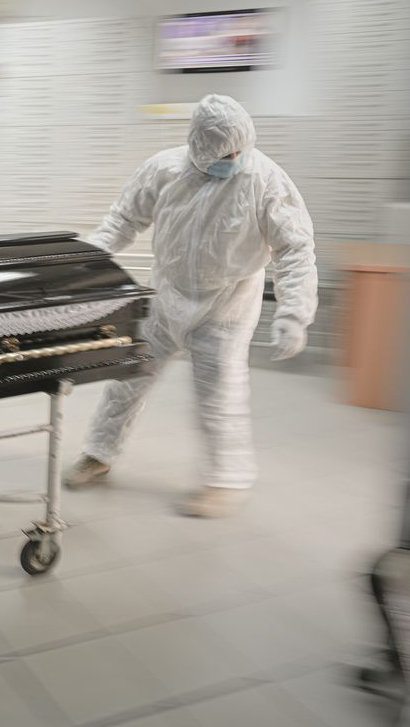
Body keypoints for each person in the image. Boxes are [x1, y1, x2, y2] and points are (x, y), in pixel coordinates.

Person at [63, 94, 317, 518]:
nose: (234, 158)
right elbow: (123, 220)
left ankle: (225, 479)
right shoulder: (164, 169)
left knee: (219, 395)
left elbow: (296, 249)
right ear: (199, 146)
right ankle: (98, 454)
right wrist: (83, 260)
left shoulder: (265, 180)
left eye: (240, 150)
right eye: (225, 152)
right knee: (127, 380)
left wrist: (294, 313)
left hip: (226, 305)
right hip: (166, 296)